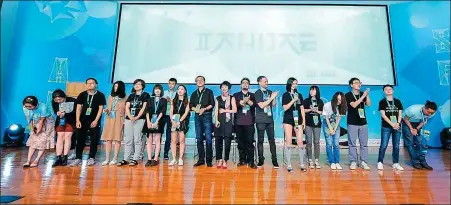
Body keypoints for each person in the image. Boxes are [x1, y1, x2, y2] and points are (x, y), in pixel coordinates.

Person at [70, 78, 106, 166]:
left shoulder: (100, 95)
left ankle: (91, 158)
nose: (90, 84)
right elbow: (78, 108)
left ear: (96, 85)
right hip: (82, 120)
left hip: (94, 120)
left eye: (92, 83)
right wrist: (78, 120)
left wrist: (96, 120)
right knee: (80, 139)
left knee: (94, 140)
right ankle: (78, 158)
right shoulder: (82, 95)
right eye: (88, 83)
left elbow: (100, 109)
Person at [117, 79, 150, 166]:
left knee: (137, 139)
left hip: (140, 119)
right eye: (135, 84)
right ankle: (126, 159)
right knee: (128, 139)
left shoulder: (146, 95)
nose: (137, 85)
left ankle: (135, 158)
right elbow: (127, 107)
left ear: (142, 86)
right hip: (129, 119)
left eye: (139, 84)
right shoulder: (131, 95)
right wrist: (130, 116)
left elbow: (144, 107)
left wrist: (136, 117)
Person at [402, 101, 437, 170]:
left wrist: (416, 129)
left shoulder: (432, 113)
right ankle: (415, 162)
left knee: (419, 142)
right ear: (425, 108)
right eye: (428, 112)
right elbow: (406, 119)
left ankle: (423, 162)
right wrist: (411, 129)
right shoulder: (413, 110)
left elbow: (424, 121)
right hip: (407, 122)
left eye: (431, 113)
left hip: (417, 123)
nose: (430, 114)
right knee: (410, 143)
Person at [345, 77, 371, 170]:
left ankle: (364, 161)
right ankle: (353, 161)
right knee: (352, 143)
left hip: (363, 122)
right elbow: (354, 105)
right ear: (351, 85)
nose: (359, 84)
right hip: (352, 122)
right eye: (356, 83)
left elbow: (368, 104)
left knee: (364, 144)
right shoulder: (348, 95)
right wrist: (363, 96)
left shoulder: (362, 93)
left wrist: (366, 95)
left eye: (359, 82)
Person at [22, 96, 56, 168]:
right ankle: (28, 161)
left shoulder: (43, 107)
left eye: (30, 106)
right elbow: (29, 119)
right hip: (35, 121)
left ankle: (37, 160)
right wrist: (32, 129)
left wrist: (38, 131)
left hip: (47, 122)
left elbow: (41, 121)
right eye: (26, 106)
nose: (28, 108)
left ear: (35, 105)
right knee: (33, 141)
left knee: (43, 141)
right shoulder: (25, 108)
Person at [282, 77, 306, 173]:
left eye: (296, 83)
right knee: (288, 141)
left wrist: (304, 120)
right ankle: (288, 164)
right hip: (288, 119)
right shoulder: (285, 95)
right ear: (290, 84)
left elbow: (302, 108)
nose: (295, 85)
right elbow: (285, 108)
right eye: (294, 83)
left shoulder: (299, 95)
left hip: (298, 120)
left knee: (300, 141)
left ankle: (302, 164)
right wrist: (293, 100)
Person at [190, 76, 215, 167]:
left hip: (207, 115)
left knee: (208, 138)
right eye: (197, 80)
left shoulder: (209, 92)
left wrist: (204, 109)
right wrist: (196, 110)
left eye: (201, 80)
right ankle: (201, 159)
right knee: (199, 138)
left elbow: (212, 104)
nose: (199, 81)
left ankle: (209, 160)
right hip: (197, 116)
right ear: (195, 82)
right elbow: (191, 105)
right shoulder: (193, 93)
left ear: (204, 82)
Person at [377, 85, 404, 171]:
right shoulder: (382, 102)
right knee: (383, 145)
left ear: (393, 91)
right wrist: (392, 124)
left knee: (396, 146)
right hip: (386, 126)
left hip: (397, 126)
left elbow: (400, 114)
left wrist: (398, 123)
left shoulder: (398, 101)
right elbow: (383, 115)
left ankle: (395, 163)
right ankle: (380, 162)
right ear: (384, 92)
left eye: (390, 89)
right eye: (386, 89)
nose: (388, 90)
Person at [254, 76, 279, 168]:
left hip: (269, 120)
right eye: (265, 81)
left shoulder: (270, 92)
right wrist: (271, 97)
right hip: (260, 120)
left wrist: (274, 97)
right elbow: (261, 105)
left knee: (272, 140)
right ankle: (261, 159)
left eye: (267, 81)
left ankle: (274, 160)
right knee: (260, 140)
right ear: (259, 83)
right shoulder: (257, 93)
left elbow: (274, 104)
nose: (266, 83)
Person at [100, 81, 127, 166]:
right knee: (108, 139)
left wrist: (125, 120)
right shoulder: (110, 97)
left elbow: (126, 110)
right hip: (110, 118)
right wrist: (106, 110)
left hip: (119, 118)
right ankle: (107, 158)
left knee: (117, 139)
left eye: (117, 87)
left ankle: (115, 158)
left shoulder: (126, 97)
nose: (116, 88)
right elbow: (108, 107)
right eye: (114, 86)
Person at [233, 78, 258, 169]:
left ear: (249, 85)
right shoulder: (236, 95)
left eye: (247, 83)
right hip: (239, 122)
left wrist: (248, 101)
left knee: (249, 142)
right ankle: (242, 160)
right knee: (240, 142)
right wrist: (243, 101)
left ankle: (251, 161)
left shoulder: (252, 95)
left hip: (249, 122)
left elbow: (254, 105)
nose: (245, 84)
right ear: (241, 85)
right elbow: (235, 105)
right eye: (243, 83)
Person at [214, 81, 237, 169]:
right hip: (219, 121)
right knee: (218, 141)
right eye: (222, 87)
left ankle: (225, 160)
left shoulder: (232, 98)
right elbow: (216, 110)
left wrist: (225, 111)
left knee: (227, 141)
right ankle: (219, 159)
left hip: (228, 122)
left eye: (225, 87)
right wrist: (216, 120)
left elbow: (234, 110)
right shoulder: (218, 98)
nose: (224, 89)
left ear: (229, 88)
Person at [51, 89, 76, 167]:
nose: (58, 101)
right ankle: (58, 158)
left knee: (67, 137)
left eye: (60, 99)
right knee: (60, 137)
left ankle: (65, 157)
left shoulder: (73, 100)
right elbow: (55, 110)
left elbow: (76, 111)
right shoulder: (54, 102)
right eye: (56, 100)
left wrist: (65, 113)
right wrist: (57, 113)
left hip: (71, 121)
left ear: (64, 97)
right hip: (61, 121)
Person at [322, 92, 347, 170]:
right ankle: (331, 162)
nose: (339, 101)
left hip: (336, 125)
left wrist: (335, 129)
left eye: (341, 100)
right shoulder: (327, 105)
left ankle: (337, 162)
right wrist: (330, 128)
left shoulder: (342, 106)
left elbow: (338, 118)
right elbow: (326, 118)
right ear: (334, 98)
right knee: (329, 144)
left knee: (336, 144)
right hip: (327, 124)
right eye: (338, 99)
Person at [145, 84, 167, 167]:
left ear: (161, 91)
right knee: (149, 139)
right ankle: (149, 159)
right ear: (153, 90)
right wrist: (148, 121)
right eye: (156, 89)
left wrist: (157, 121)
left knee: (157, 139)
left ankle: (155, 159)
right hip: (149, 121)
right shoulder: (150, 99)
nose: (157, 90)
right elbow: (147, 111)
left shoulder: (164, 100)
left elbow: (163, 111)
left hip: (159, 121)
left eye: (159, 89)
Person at [168, 85, 190, 166]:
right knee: (173, 140)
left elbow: (186, 112)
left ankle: (180, 158)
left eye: (182, 89)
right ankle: (174, 159)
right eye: (178, 89)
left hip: (183, 121)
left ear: (185, 91)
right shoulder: (173, 100)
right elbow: (171, 112)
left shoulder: (187, 101)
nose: (180, 90)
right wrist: (172, 121)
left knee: (181, 140)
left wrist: (180, 121)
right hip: (174, 121)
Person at [303, 86, 324, 169]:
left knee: (316, 142)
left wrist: (316, 111)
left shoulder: (320, 101)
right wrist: (310, 109)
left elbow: (322, 112)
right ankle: (309, 159)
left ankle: (316, 160)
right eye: (311, 90)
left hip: (317, 124)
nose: (311, 91)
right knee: (308, 142)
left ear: (317, 91)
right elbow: (303, 110)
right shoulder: (306, 100)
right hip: (308, 123)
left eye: (313, 90)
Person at [163, 78, 178, 160]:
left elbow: (176, 104)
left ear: (175, 85)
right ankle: (157, 153)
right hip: (163, 115)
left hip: (172, 116)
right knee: (159, 134)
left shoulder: (177, 93)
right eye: (169, 83)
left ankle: (166, 153)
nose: (171, 85)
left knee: (169, 135)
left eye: (173, 83)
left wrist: (171, 101)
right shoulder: (164, 92)